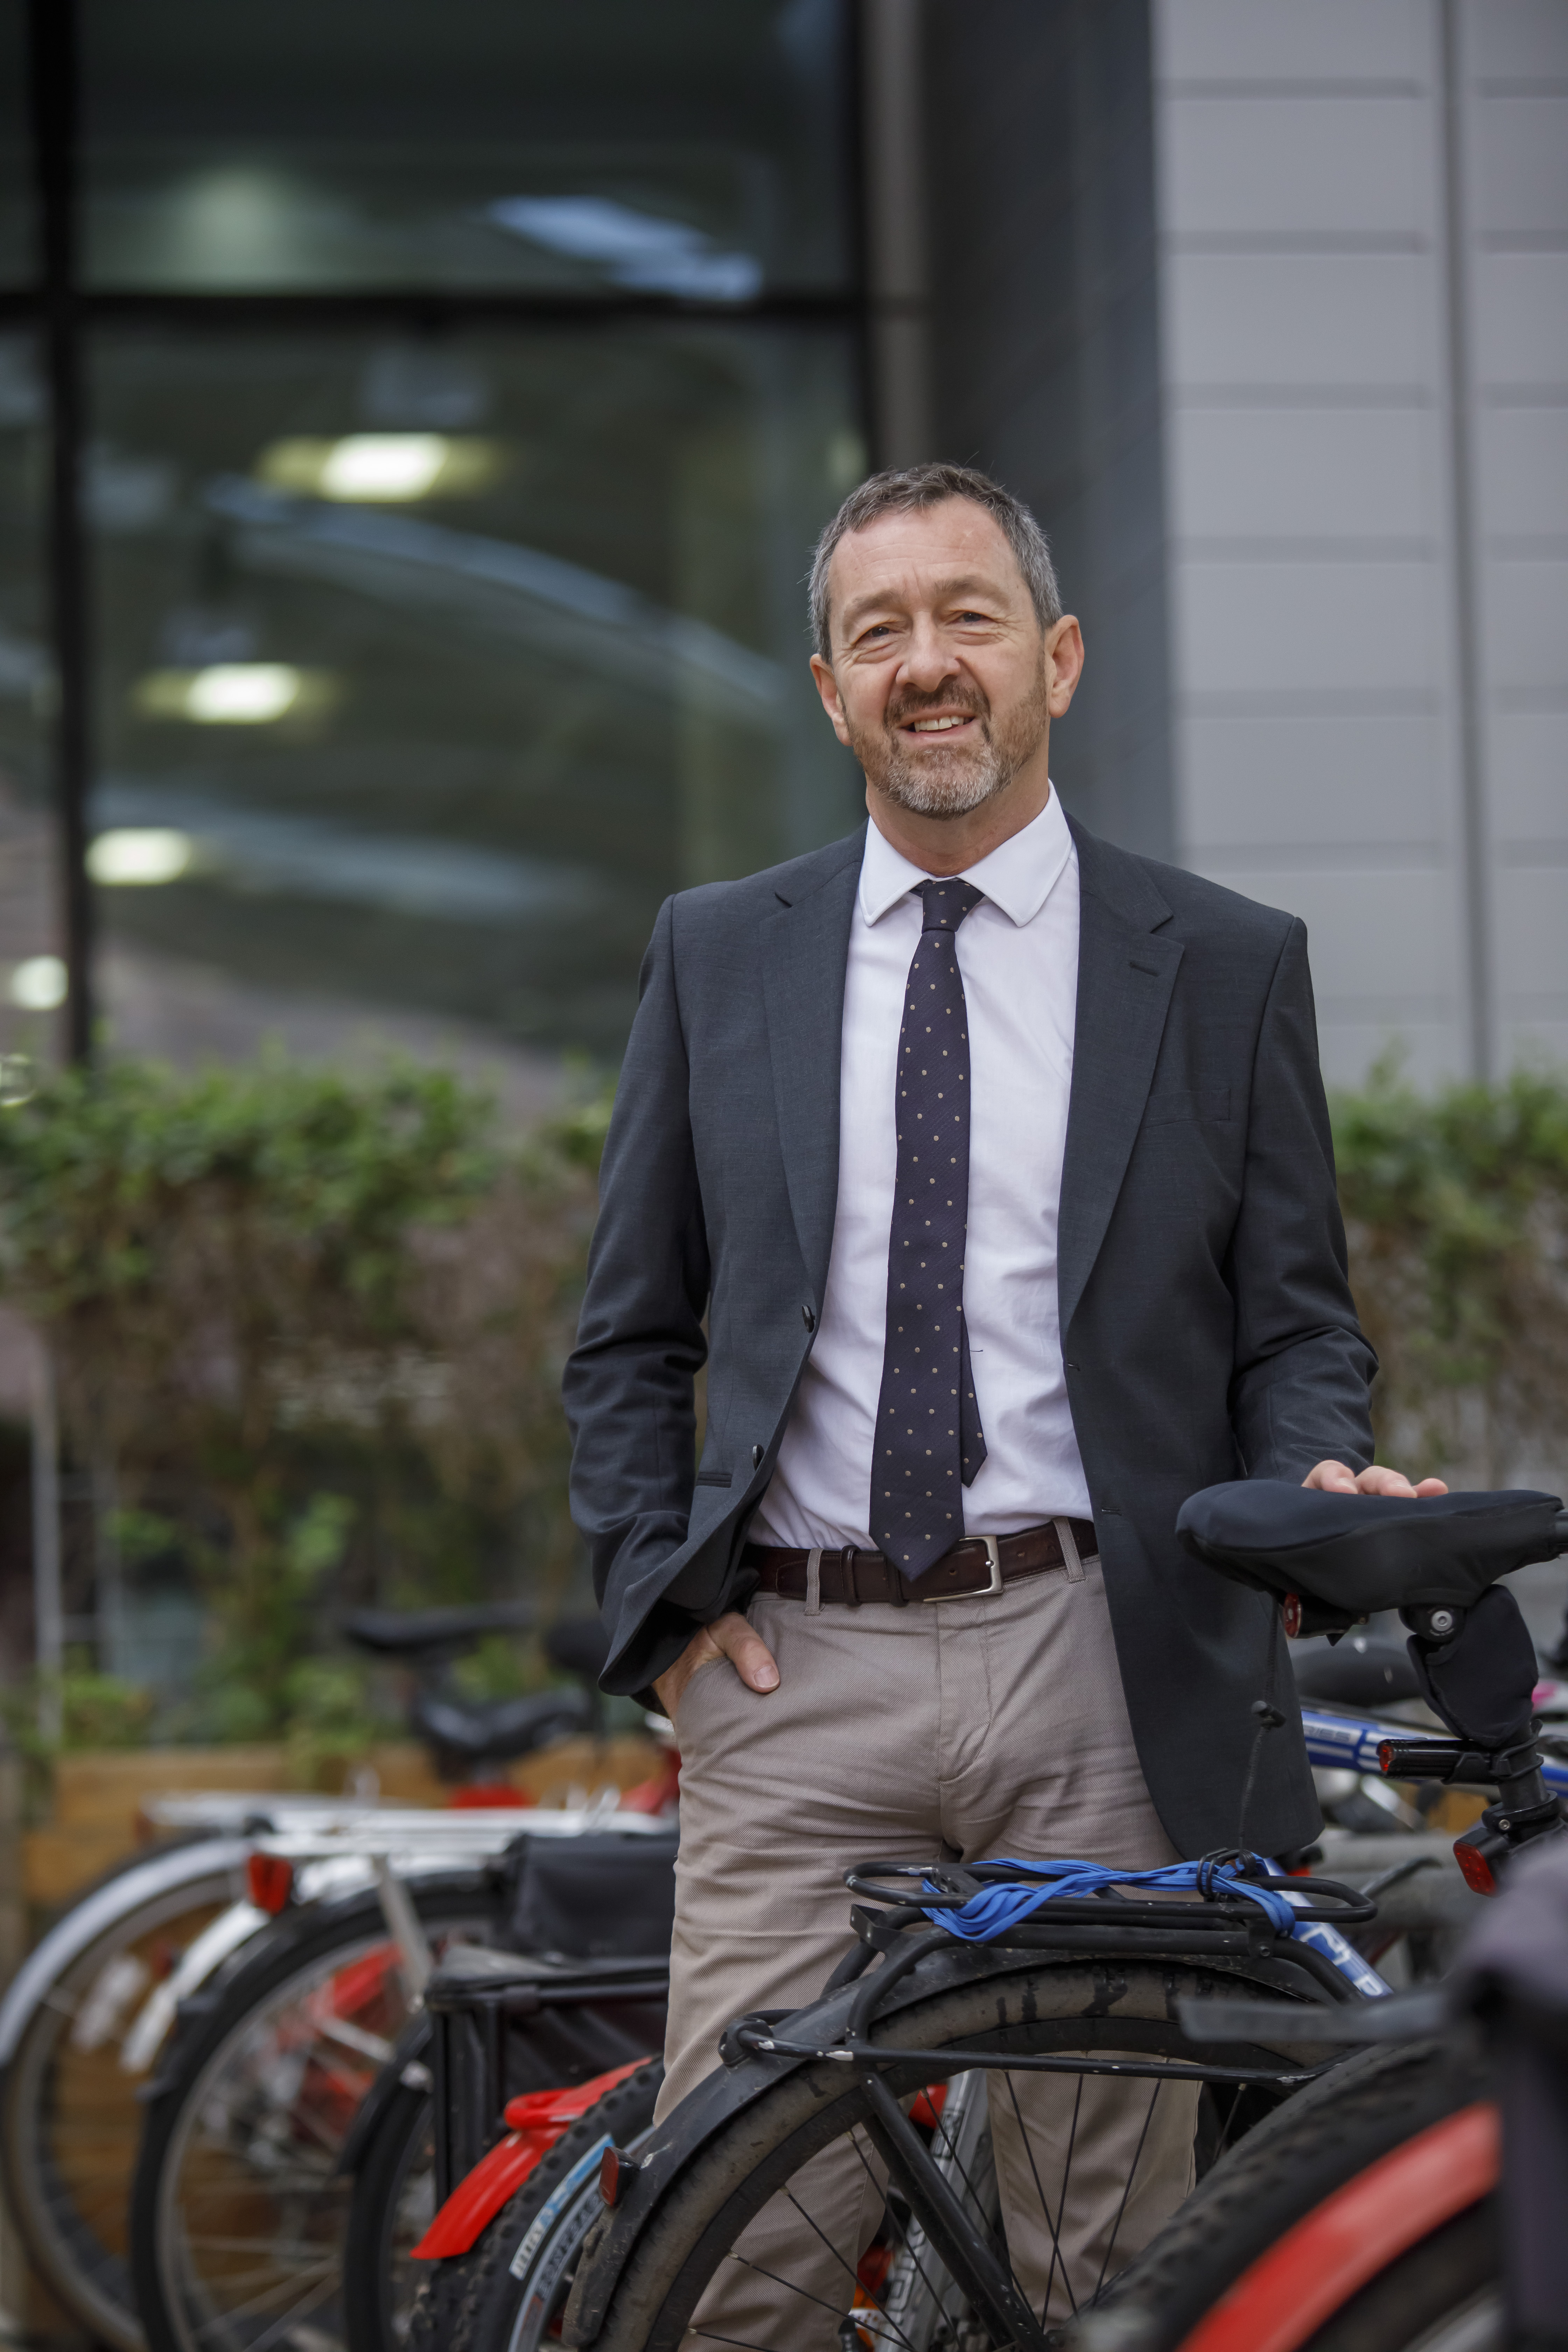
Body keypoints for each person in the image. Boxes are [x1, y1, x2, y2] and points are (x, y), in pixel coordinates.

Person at [563, 462, 1447, 2335]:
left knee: (1105, 2261)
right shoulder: (722, 953)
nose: (927, 664)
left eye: (967, 617)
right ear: (830, 690)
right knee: (730, 2261)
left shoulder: (1220, 966)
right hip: (795, 1679)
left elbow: (1295, 1326)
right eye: (879, 631)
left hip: (1100, 1672)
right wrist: (663, 1613)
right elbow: (629, 1328)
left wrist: (1306, 1484)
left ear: (1056, 657)